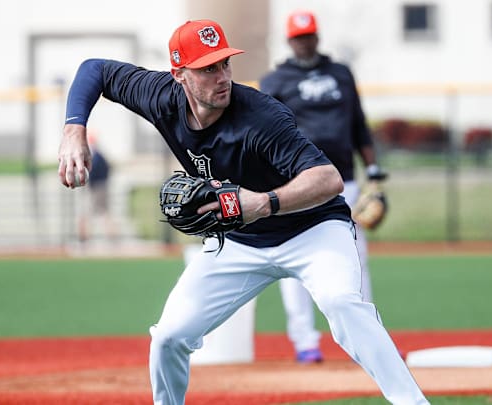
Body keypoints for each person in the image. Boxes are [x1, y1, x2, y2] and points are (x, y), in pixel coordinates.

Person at [58, 19, 428, 405]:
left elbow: (329, 178)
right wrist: (73, 130)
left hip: (313, 230)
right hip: (240, 241)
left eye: (224, 64)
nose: (221, 77)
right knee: (169, 336)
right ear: (179, 75)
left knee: (343, 304)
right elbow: (94, 70)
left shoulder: (262, 116)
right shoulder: (159, 96)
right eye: (207, 68)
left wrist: (263, 202)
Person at [260, 10, 387, 364]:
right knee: (294, 259)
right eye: (299, 37)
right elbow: (263, 135)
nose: (305, 42)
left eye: (310, 35)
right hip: (297, 182)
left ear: (317, 37)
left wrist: (373, 170)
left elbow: (359, 125)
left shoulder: (340, 74)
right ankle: (305, 341)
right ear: (290, 41)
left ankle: (366, 338)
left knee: (356, 258)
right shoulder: (275, 81)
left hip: (344, 180)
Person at [76, 130, 118, 244]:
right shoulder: (96, 155)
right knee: (95, 213)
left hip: (97, 188)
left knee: (97, 213)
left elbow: (97, 173)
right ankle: (85, 237)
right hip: (96, 187)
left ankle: (86, 237)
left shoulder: (97, 156)